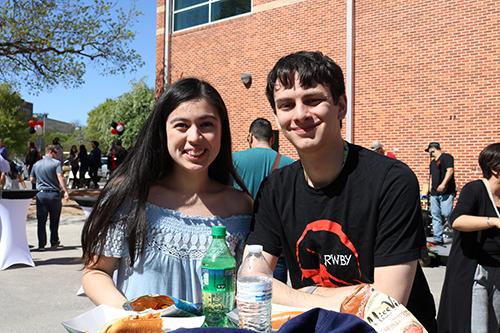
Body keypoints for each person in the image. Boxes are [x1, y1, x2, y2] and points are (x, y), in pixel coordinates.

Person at [245, 51, 436, 331]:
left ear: (341, 106)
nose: (300, 115)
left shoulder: (392, 181)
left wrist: (303, 295)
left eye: (313, 100)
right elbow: (251, 279)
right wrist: (321, 296)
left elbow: (388, 304)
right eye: (286, 105)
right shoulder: (275, 188)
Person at [81, 77, 253, 308]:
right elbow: (96, 273)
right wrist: (128, 315)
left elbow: (250, 286)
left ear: (222, 130)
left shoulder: (242, 206)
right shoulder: (129, 196)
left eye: (207, 125)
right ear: (163, 131)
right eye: (181, 125)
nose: (194, 137)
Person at [438, 143, 500, 333]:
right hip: (475, 273)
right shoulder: (475, 189)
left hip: (498, 272)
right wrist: (495, 221)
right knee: (476, 327)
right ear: (494, 168)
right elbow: (457, 220)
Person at [233, 117, 294, 283]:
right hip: (275, 245)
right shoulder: (291, 166)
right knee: (274, 295)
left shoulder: (233, 161)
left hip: (240, 240)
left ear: (251, 137)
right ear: (272, 139)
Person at [30, 145, 69, 250]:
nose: (57, 155)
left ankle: (41, 244)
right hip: (54, 194)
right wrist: (65, 190)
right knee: (54, 219)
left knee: (41, 220)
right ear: (51, 152)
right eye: (56, 153)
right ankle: (54, 241)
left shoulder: (36, 164)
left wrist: (41, 181)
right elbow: (60, 177)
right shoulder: (56, 164)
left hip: (41, 194)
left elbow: (32, 179)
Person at [425, 142, 456, 246]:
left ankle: (458, 234)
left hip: (446, 192)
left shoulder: (446, 157)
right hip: (434, 193)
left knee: (447, 213)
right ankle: (438, 238)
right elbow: (431, 177)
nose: (429, 153)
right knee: (435, 215)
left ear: (433, 149)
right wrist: (428, 189)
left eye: (429, 150)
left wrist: (443, 184)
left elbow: (450, 171)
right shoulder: (432, 163)